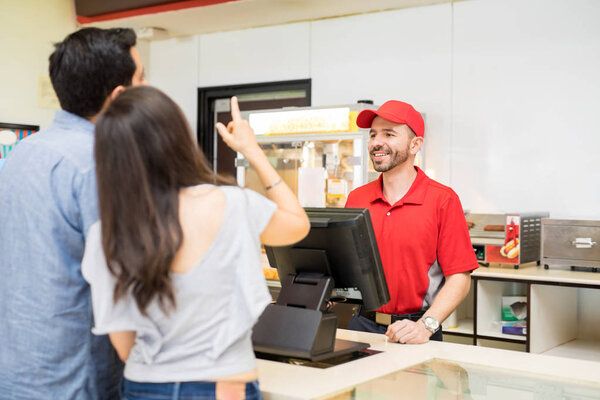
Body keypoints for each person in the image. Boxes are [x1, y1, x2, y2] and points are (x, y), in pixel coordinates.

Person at [82, 86, 310, 400]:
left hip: (144, 386)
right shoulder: (233, 204)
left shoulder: (106, 232)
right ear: (178, 139)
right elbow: (298, 224)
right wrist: (252, 151)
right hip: (222, 386)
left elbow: (123, 345)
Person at [0, 28, 146, 399]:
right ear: (118, 97)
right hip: (76, 377)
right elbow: (119, 280)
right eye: (142, 79)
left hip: (16, 371)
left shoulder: (18, 156)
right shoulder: (100, 164)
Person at [345, 100, 478, 344]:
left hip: (416, 330)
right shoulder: (357, 198)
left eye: (389, 134)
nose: (376, 142)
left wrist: (425, 326)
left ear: (415, 144)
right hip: (361, 326)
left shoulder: (443, 200)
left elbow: (459, 278)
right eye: (373, 134)